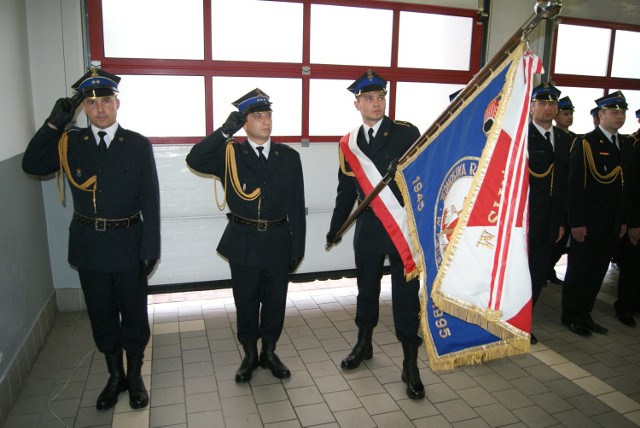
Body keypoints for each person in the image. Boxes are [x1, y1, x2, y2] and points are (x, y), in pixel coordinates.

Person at [22, 68, 160, 410]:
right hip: (89, 247)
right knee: (101, 314)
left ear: (118, 103)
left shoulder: (138, 144)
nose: (99, 109)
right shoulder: (71, 143)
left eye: (106, 101)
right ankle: (114, 376)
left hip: (129, 244)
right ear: (82, 107)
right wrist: (54, 125)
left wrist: (151, 248)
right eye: (91, 102)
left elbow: (151, 200)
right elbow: (32, 163)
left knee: (133, 314)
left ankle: (134, 375)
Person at [186, 89, 306, 382]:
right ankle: (250, 354)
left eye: (268, 115)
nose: (265, 122)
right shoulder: (229, 154)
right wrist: (225, 131)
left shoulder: (288, 157)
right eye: (257, 116)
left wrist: (297, 248)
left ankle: (270, 352)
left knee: (276, 302)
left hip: (278, 240)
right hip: (244, 242)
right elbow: (195, 158)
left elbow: (296, 206)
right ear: (244, 123)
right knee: (247, 301)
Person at [326, 70, 424, 400]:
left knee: (407, 298)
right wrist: (336, 227)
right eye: (369, 98)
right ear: (357, 104)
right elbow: (345, 190)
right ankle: (363, 344)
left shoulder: (406, 133)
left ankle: (410, 362)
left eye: (381, 97)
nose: (376, 103)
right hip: (368, 228)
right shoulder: (348, 142)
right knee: (366, 290)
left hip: (401, 228)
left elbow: (423, 179)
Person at [562, 91, 629, 337]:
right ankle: (571, 316)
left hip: (611, 225)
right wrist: (577, 222)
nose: (619, 116)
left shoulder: (625, 144)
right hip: (588, 224)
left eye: (622, 112)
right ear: (600, 116)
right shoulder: (586, 144)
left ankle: (585, 313)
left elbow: (623, 189)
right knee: (580, 272)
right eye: (614, 112)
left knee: (597, 273)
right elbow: (575, 187)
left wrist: (622, 220)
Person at [527, 84, 570, 344]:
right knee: (518, 274)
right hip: (524, 221)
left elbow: (565, 185)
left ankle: (524, 321)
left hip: (550, 222)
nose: (548, 106)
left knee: (538, 273)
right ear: (531, 107)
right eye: (542, 102)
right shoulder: (521, 137)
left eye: (553, 102)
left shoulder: (565, 139)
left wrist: (561, 222)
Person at [546, 95, 576, 286]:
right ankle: (545, 269)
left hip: (568, 197)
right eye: (565, 113)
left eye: (570, 113)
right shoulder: (550, 136)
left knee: (562, 239)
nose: (569, 117)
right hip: (552, 196)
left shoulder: (575, 139)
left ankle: (550, 269)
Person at [614, 108, 640, 327]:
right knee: (632, 266)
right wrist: (633, 223)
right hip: (636, 217)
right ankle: (625, 307)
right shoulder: (633, 144)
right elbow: (631, 188)